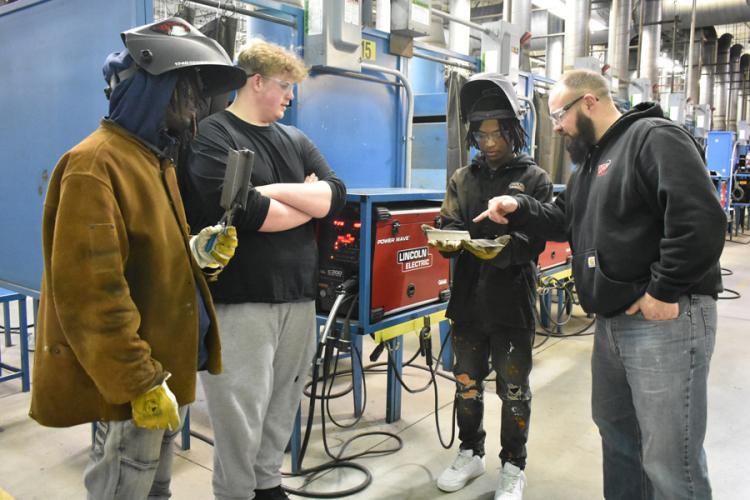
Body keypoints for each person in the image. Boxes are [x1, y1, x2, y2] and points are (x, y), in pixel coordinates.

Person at [475, 69, 726, 499]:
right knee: (619, 438)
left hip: (663, 320)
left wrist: (664, 290)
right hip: (613, 322)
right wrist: (517, 206)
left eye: (559, 115)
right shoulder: (590, 163)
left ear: (589, 101)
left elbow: (700, 220)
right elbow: (564, 221)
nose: (555, 126)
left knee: (670, 459)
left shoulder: (653, 137)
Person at [29, 17, 246, 499]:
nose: (195, 110)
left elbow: (141, 255)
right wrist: (139, 381)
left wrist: (194, 254)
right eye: (186, 91)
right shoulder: (96, 164)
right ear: (153, 89)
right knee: (123, 486)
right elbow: (91, 293)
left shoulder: (153, 160)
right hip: (137, 377)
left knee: (155, 490)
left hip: (166, 367)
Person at [182, 39, 346, 500]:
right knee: (239, 409)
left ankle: (267, 483)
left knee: (283, 401)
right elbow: (251, 214)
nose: (291, 97)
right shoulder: (214, 135)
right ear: (256, 82)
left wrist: (273, 190)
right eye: (284, 87)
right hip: (241, 298)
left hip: (299, 296)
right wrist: (303, 201)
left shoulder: (296, 139)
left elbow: (335, 195)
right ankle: (235, 492)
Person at [430, 73, 553, 500]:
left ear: (513, 128)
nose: (489, 142)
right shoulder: (463, 179)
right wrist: (446, 240)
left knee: (514, 389)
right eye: (480, 134)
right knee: (466, 381)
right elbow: (448, 222)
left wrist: (499, 250)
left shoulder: (534, 178)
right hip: (466, 300)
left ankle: (513, 465)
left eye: (497, 132)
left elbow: (536, 240)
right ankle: (470, 451)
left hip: (512, 301)